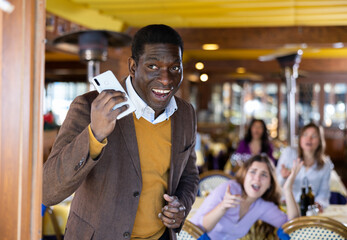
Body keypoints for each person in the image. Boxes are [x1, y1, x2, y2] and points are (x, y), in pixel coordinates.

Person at [43, 24, 199, 240]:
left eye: (174, 68)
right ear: (133, 67)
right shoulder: (88, 107)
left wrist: (182, 204)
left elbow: (189, 175)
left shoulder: (185, 114)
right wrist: (94, 135)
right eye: (153, 66)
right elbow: (49, 191)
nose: (165, 79)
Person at [191, 154, 302, 240]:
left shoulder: (261, 206)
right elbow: (201, 229)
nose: (257, 178)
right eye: (253, 172)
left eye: (264, 175)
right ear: (244, 175)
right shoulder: (229, 189)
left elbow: (293, 227)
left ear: (270, 184)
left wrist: (288, 188)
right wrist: (222, 206)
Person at [276, 122, 332, 209]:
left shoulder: (326, 164)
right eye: (305, 135)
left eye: (313, 136)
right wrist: (282, 177)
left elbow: (323, 194)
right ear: (300, 139)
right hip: (286, 205)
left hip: (310, 209)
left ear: (320, 141)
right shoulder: (289, 153)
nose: (309, 139)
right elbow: (275, 184)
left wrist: (318, 205)